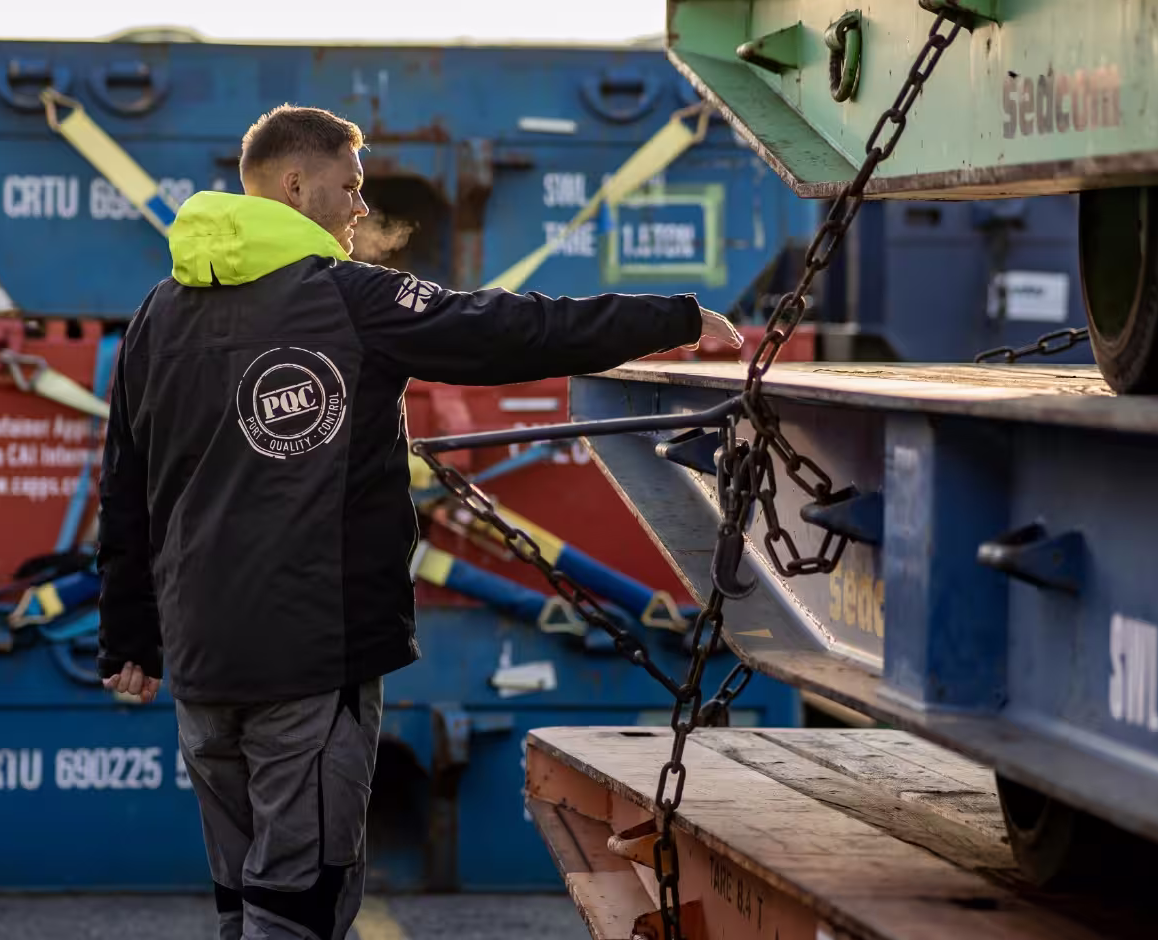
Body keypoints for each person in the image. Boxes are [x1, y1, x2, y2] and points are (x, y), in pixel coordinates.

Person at [96, 104, 740, 940]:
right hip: (309, 659)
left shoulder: (156, 313)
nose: (362, 207)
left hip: (200, 665)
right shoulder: (348, 299)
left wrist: (130, 638)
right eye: (349, 187)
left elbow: (126, 486)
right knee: (301, 902)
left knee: (244, 898)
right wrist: (672, 319)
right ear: (294, 186)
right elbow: (509, 331)